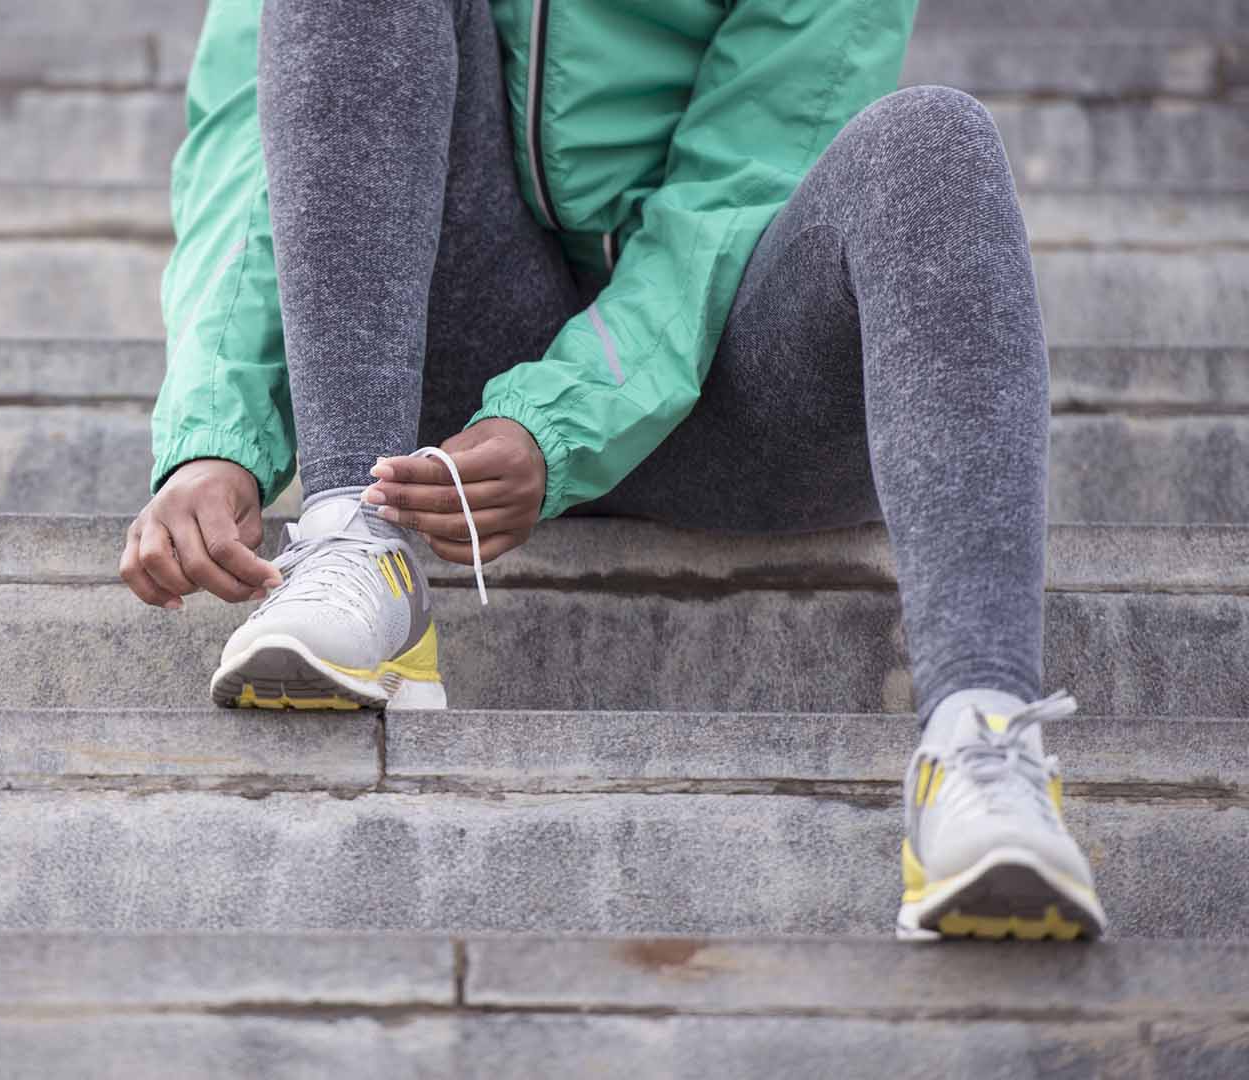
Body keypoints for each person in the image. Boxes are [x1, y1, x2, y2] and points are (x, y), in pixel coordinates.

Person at [119, 0, 1106, 942]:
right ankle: (350, 534)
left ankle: (983, 745)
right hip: (444, 370)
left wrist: (558, 422)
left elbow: (743, 181)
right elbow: (260, 137)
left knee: (932, 144)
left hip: (739, 375)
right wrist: (220, 434)